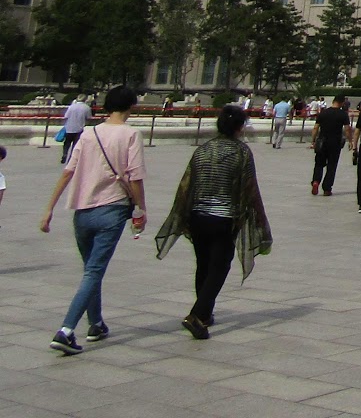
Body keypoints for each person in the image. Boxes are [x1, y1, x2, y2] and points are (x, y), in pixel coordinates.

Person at [39, 85, 147, 356]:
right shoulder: (131, 134)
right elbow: (135, 177)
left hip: (82, 211)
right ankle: (66, 330)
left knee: (91, 269)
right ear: (130, 107)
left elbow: (68, 171)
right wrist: (141, 210)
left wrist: (49, 208)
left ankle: (96, 323)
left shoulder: (89, 133)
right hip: (112, 209)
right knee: (93, 271)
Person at [153, 104, 271, 340]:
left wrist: (183, 214)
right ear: (239, 127)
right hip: (223, 218)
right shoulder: (242, 152)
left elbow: (187, 184)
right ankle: (197, 315)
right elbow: (250, 189)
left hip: (198, 216)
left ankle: (205, 314)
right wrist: (260, 218)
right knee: (220, 266)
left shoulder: (203, 150)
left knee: (204, 264)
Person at [310, 95, 348, 196]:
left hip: (322, 142)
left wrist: (313, 141)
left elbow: (315, 128)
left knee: (319, 164)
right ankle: (327, 188)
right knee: (332, 166)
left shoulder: (323, 113)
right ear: (342, 103)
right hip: (335, 143)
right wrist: (351, 141)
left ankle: (316, 181)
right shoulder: (343, 114)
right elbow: (347, 129)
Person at [59, 94, 92, 165]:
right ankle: (71, 158)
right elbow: (89, 118)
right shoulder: (86, 107)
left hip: (69, 128)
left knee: (67, 143)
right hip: (79, 128)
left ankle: (65, 154)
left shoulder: (72, 107)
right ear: (85, 99)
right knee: (75, 145)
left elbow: (66, 116)